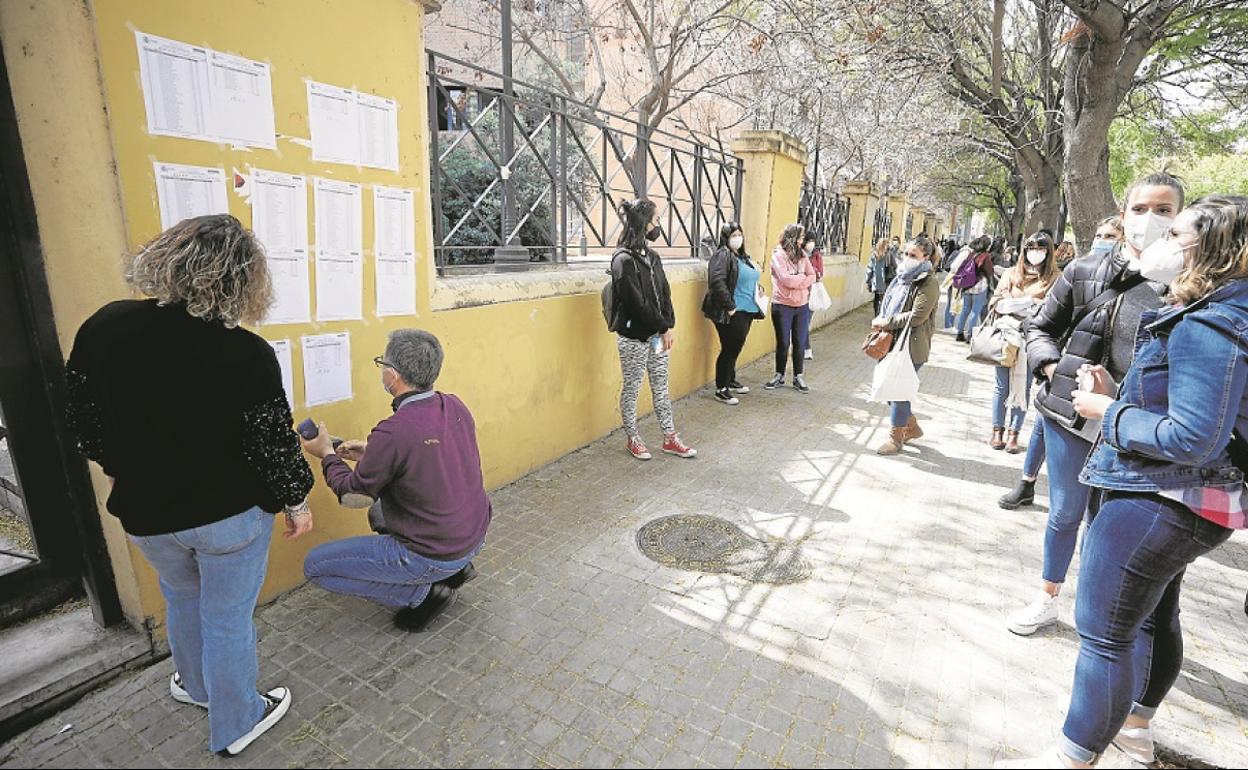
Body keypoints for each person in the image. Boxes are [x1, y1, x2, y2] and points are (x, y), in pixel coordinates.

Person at [1005, 196, 1248, 769]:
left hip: (1160, 495)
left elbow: (1192, 437)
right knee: (1127, 625)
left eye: (1176, 230)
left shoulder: (1211, 323)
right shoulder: (1220, 312)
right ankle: (1109, 736)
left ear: (1209, 249)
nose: (1160, 238)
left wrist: (1105, 412)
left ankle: (1073, 756)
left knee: (1106, 634)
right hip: (1175, 493)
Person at [65, 214, 313, 756]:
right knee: (226, 617)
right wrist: (297, 501)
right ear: (245, 281)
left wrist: (113, 462)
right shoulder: (245, 353)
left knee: (181, 598)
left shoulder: (103, 326)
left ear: (168, 257)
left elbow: (81, 418)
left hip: (148, 514)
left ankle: (196, 688)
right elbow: (274, 443)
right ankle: (238, 720)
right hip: (230, 519)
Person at [1006, 171, 1184, 637]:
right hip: (1070, 419)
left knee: (1106, 524)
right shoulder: (1086, 270)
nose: (1150, 220)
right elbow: (1040, 328)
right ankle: (1047, 598)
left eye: (1164, 211)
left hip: (1135, 429)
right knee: (1065, 512)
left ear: (1181, 219)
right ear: (1123, 216)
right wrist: (1053, 373)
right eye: (1140, 209)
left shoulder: (1189, 287)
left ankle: (1099, 610)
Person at [300, 330, 491, 632]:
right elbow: (430, 456)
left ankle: (424, 592)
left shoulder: (393, 431)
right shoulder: (454, 405)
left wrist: (326, 455)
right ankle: (456, 570)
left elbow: (353, 497)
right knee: (380, 511)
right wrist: (371, 453)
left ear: (392, 375)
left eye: (381, 364)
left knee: (315, 567)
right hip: (473, 535)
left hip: (437, 551)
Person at [999, 217, 1126, 509]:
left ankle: (1084, 499)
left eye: (1110, 235)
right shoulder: (1079, 272)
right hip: (1064, 368)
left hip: (1102, 382)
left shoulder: (1144, 282)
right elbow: (1045, 323)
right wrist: (1050, 365)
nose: (1102, 240)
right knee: (1043, 424)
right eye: (1099, 234)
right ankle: (1027, 482)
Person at [609, 198, 697, 460]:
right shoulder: (622, 260)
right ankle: (632, 438)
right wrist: (662, 326)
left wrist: (667, 326)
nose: (659, 225)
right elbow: (637, 304)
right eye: (656, 221)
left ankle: (670, 438)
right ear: (644, 224)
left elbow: (664, 293)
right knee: (633, 387)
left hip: (658, 337)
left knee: (660, 386)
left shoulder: (654, 257)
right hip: (634, 338)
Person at [987, 232, 1060, 452]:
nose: (1034, 252)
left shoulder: (1056, 277)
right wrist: (1027, 303)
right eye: (1030, 247)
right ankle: (997, 430)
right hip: (1007, 335)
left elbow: (1050, 309)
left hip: (1032, 338)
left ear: (1048, 251)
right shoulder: (1010, 273)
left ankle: (1013, 434)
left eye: (1040, 248)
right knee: (1002, 386)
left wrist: (1016, 302)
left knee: (1024, 385)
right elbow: (997, 303)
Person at [872, 236, 942, 455]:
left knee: (898, 391)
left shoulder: (928, 282)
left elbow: (918, 316)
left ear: (926, 258)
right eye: (906, 254)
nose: (908, 258)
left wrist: (887, 322)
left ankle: (896, 438)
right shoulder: (902, 277)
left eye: (913, 255)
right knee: (889, 387)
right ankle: (910, 426)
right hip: (893, 342)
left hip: (912, 345)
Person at [702, 221, 762, 405]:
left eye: (739, 234)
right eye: (733, 235)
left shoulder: (742, 256)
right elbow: (717, 282)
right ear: (725, 237)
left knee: (735, 347)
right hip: (732, 310)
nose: (737, 238)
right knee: (730, 348)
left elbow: (745, 278)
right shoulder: (722, 255)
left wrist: (758, 288)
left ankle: (730, 379)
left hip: (748, 308)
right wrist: (730, 307)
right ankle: (721, 388)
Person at [765, 223, 817, 393]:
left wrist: (798, 279)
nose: (803, 241)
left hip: (801, 306)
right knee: (783, 342)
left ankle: (798, 376)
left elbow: (813, 276)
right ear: (792, 237)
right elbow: (785, 280)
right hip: (782, 306)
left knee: (799, 342)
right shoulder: (778, 255)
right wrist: (801, 279)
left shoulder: (802, 255)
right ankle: (779, 375)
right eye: (800, 237)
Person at [954, 235, 993, 342]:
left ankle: (960, 333)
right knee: (975, 311)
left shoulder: (971, 254)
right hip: (980, 286)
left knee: (965, 310)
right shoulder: (986, 256)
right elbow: (989, 272)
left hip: (967, 285)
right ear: (987, 245)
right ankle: (970, 335)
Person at [803, 231, 824, 360]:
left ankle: (806, 348)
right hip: (800, 293)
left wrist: (816, 274)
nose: (811, 244)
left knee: (805, 323)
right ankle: (804, 347)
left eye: (812, 241)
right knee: (802, 323)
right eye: (808, 241)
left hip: (812, 294)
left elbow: (820, 273)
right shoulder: (799, 255)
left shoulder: (817, 256)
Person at [867, 238, 896, 316]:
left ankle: (876, 314)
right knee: (884, 298)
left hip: (876, 280)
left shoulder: (874, 255)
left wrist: (868, 280)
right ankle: (882, 314)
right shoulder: (889, 254)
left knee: (876, 298)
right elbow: (895, 266)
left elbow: (870, 268)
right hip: (886, 280)